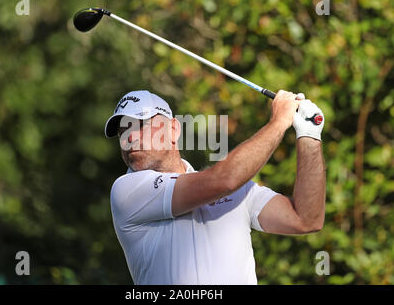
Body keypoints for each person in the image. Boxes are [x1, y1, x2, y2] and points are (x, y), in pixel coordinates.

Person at [105, 89, 326, 284]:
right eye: (122, 131)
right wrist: (278, 122)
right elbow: (224, 180)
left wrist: (309, 135)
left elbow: (306, 219)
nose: (130, 137)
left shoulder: (239, 191)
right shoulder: (127, 190)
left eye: (140, 125)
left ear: (173, 129)